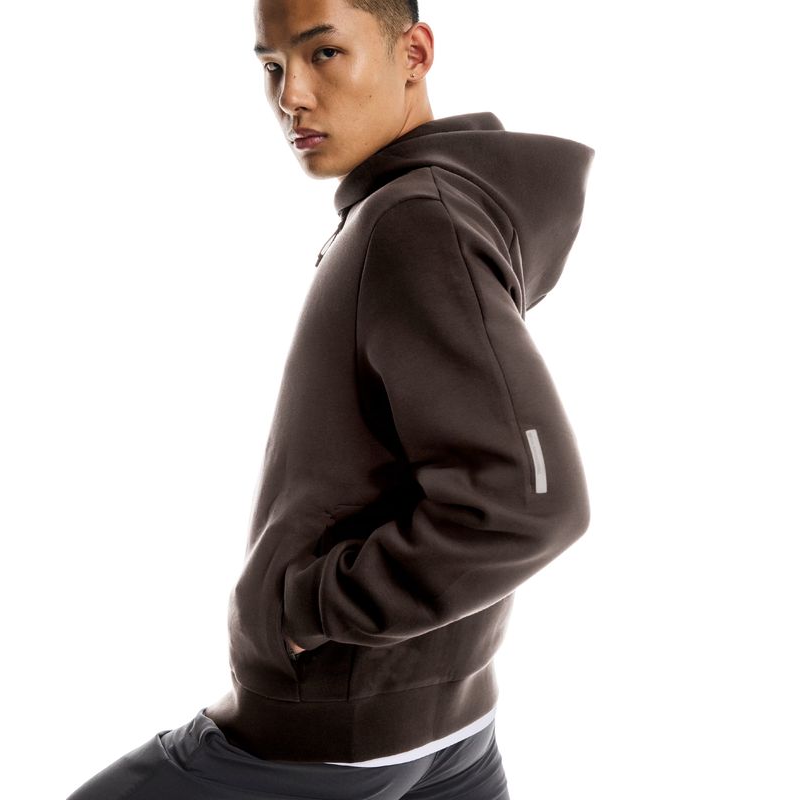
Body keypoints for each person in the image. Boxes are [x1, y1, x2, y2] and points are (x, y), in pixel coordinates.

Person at [65, 0, 595, 797]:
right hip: (450, 724)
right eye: (272, 66)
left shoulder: (416, 222)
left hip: (333, 734)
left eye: (323, 54)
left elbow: (530, 502)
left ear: (414, 53)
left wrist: (307, 611)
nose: (291, 96)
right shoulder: (429, 208)